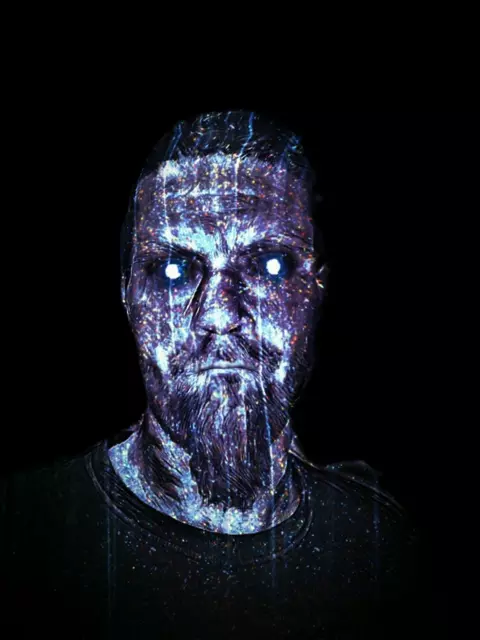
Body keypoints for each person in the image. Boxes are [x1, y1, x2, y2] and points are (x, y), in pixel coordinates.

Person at [1, 111, 423, 639]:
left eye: (270, 265)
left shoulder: (383, 551)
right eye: (173, 270)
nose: (219, 314)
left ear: (316, 294)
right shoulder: (19, 533)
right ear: (128, 298)